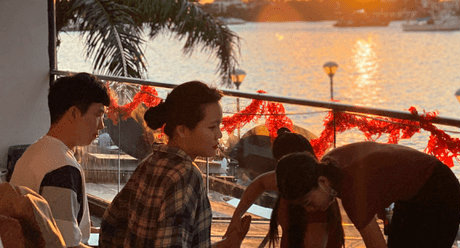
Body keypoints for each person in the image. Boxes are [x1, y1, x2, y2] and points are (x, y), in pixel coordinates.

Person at [99, 81, 250, 248]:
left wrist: (225, 245)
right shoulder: (187, 176)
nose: (219, 134)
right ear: (182, 130)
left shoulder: (150, 163)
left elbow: (110, 224)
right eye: (212, 127)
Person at [276, 141, 460, 248]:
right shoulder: (329, 164)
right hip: (413, 192)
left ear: (322, 182)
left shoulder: (352, 193)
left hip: (440, 192)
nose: (309, 210)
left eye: (308, 202)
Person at [10, 72, 110, 248]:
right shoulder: (62, 169)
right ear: (73, 114)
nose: (101, 125)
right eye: (97, 115)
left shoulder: (34, 152)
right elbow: (66, 244)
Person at [224, 127, 342, 248]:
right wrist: (237, 216)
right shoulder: (292, 183)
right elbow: (260, 183)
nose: (279, 174)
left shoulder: (315, 204)